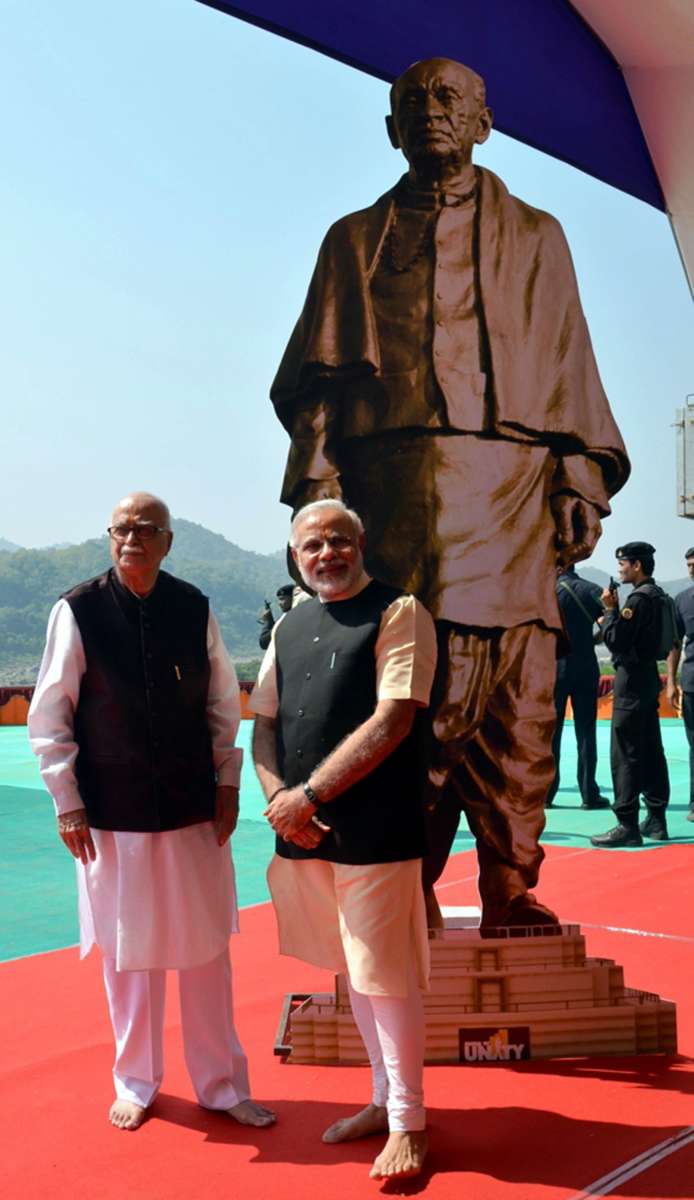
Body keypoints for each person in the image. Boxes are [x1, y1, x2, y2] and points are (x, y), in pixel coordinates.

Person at [269, 57, 629, 928]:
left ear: (482, 122)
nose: (431, 113)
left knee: (517, 685)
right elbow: (315, 383)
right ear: (392, 130)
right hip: (388, 492)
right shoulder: (355, 239)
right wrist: (319, 478)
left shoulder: (538, 236)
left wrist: (577, 470)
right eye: (412, 104)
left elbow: (570, 361)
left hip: (510, 487)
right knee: (405, 686)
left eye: (449, 100)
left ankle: (510, 881)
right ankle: (408, 880)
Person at [28, 492, 275, 1132]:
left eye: (146, 529)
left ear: (169, 541)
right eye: (121, 528)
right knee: (125, 954)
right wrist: (67, 803)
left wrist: (227, 782)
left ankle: (221, 1084)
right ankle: (136, 1082)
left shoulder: (194, 607)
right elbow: (51, 715)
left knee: (205, 952)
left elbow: (224, 701)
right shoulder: (77, 610)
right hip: (112, 812)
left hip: (194, 807)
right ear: (109, 537)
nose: (132, 538)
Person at [250, 499, 437, 1181]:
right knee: (354, 972)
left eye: (337, 541)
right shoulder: (290, 625)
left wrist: (309, 796)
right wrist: (278, 799)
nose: (325, 554)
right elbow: (264, 724)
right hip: (306, 828)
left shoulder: (399, 612)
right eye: (311, 546)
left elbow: (393, 720)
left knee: (385, 974)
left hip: (376, 828)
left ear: (361, 544)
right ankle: (382, 1101)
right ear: (295, 558)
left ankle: (410, 1123)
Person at [591, 542, 670, 847]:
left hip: (631, 681)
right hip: (649, 677)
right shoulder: (660, 597)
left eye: (624, 564)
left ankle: (627, 824)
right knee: (651, 748)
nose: (620, 569)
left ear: (637, 565)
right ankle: (656, 818)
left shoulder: (635, 601)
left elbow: (617, 641)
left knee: (624, 752)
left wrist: (610, 612)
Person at [547, 565, 609, 810]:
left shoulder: (547, 591)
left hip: (556, 667)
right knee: (586, 732)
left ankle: (547, 793)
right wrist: (593, 639)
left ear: (559, 565)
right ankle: (588, 793)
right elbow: (608, 624)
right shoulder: (592, 589)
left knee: (552, 733)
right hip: (585, 665)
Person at [666, 546, 694, 822]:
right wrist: (671, 682)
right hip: (692, 682)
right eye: (688, 564)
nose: (691, 567)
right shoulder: (682, 600)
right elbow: (674, 643)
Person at [258, 584, 295, 651]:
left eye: (282, 599)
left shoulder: (288, 618)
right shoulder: (290, 616)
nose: (279, 603)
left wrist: (267, 622)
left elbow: (264, 642)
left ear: (293, 598)